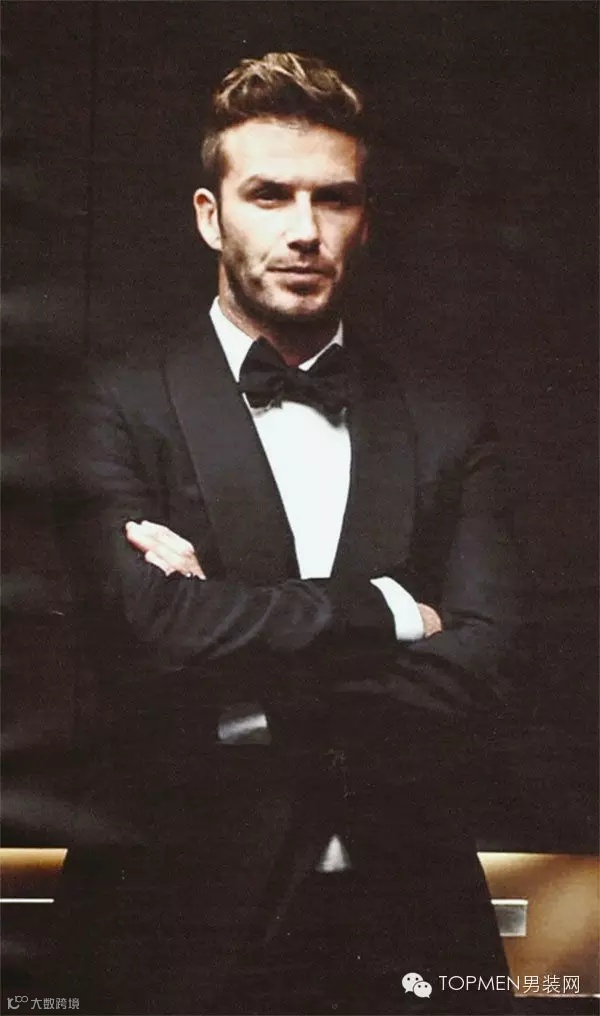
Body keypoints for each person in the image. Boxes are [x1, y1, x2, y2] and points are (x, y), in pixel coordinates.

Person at [51, 52, 520, 1015]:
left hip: (410, 916)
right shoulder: (114, 401)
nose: (304, 230)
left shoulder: (446, 416)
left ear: (365, 218)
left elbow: (490, 657)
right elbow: (147, 629)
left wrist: (252, 701)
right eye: (269, 196)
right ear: (210, 215)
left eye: (333, 199)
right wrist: (388, 615)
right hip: (171, 920)